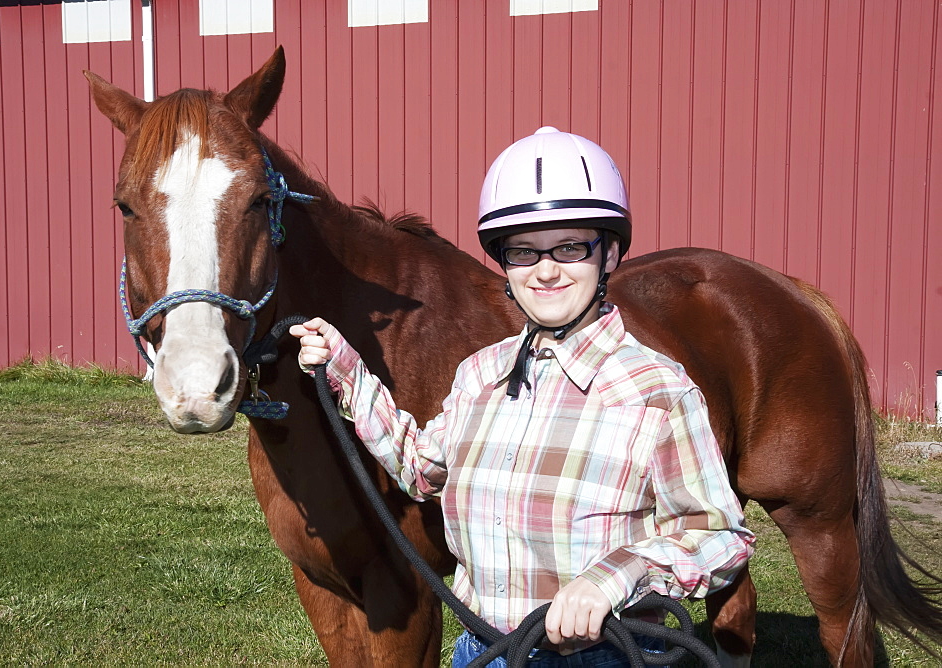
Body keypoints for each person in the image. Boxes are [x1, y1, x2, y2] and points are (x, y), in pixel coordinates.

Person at [291, 127, 754, 667]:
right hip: (482, 651)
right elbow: (422, 469)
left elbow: (720, 537)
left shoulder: (658, 391)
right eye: (523, 252)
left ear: (608, 255)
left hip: (601, 655)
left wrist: (614, 579)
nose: (547, 269)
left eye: (571, 246)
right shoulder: (480, 374)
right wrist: (346, 366)